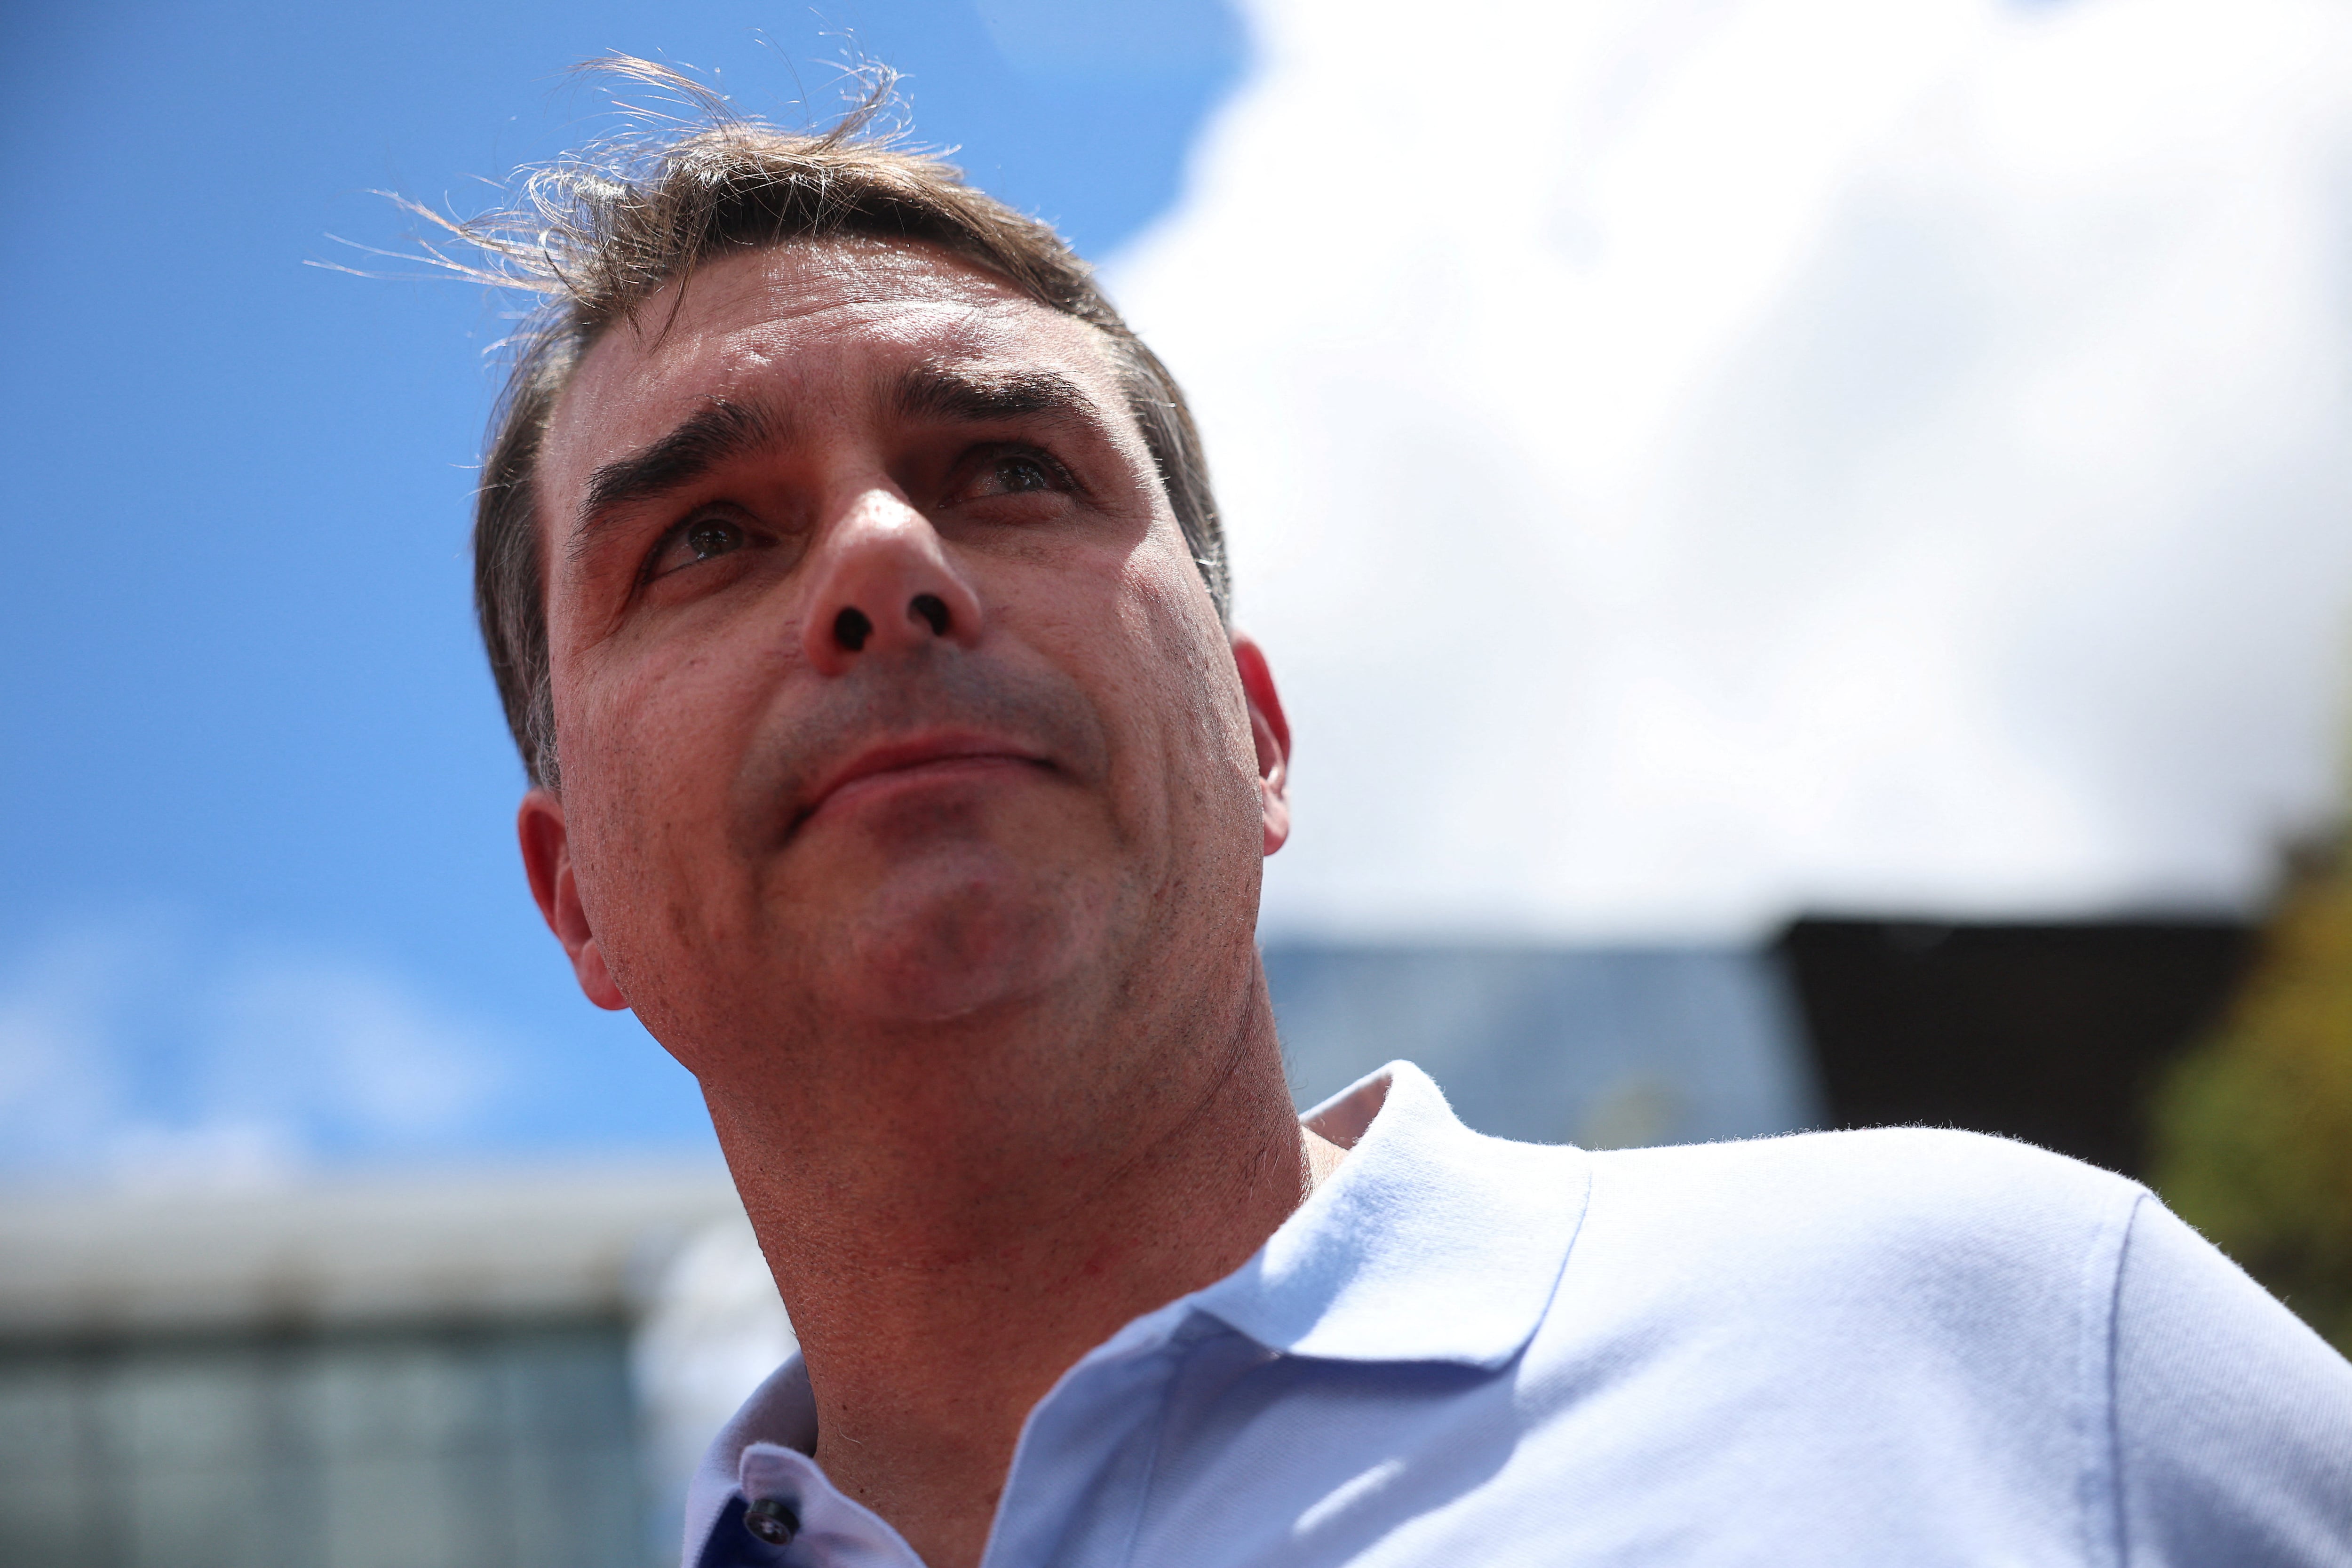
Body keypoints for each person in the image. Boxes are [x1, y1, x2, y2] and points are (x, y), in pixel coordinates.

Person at [456, 61, 2352, 1568]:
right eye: (707, 537)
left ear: (1258, 737)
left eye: (1010, 469)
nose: (883, 556)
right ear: (576, 906)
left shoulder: (1997, 1347)